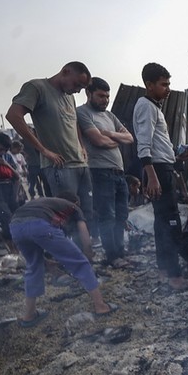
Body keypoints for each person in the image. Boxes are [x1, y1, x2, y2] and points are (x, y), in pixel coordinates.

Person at [8, 192, 116, 327]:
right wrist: (87, 254)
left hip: (15, 227)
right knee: (80, 263)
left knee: (33, 267)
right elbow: (84, 233)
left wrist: (46, 262)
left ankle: (29, 315)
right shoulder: (73, 206)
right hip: (39, 224)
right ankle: (101, 306)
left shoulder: (42, 203)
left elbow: (28, 229)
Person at [6, 62, 93, 225]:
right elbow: (13, 116)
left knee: (87, 212)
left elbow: (74, 124)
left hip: (80, 164)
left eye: (81, 87)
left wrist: (82, 146)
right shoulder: (37, 87)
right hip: (60, 166)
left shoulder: (70, 97)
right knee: (66, 216)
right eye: (77, 84)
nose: (78, 90)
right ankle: (66, 248)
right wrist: (43, 149)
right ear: (65, 72)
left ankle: (86, 248)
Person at [133, 62, 188, 290]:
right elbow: (143, 144)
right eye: (163, 84)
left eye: (168, 84)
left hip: (162, 167)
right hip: (157, 171)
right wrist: (152, 176)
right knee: (170, 223)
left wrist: (175, 157)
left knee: (163, 222)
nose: (167, 89)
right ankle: (174, 275)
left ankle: (165, 269)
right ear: (149, 85)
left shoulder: (153, 107)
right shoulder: (146, 106)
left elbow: (157, 144)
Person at [76, 77, 134, 266]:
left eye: (107, 96)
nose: (105, 100)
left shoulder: (109, 116)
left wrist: (110, 134)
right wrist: (116, 140)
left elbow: (129, 138)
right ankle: (113, 256)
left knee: (121, 215)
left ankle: (120, 251)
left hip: (119, 172)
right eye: (101, 96)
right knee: (107, 216)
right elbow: (98, 141)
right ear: (89, 93)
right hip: (100, 172)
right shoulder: (83, 113)